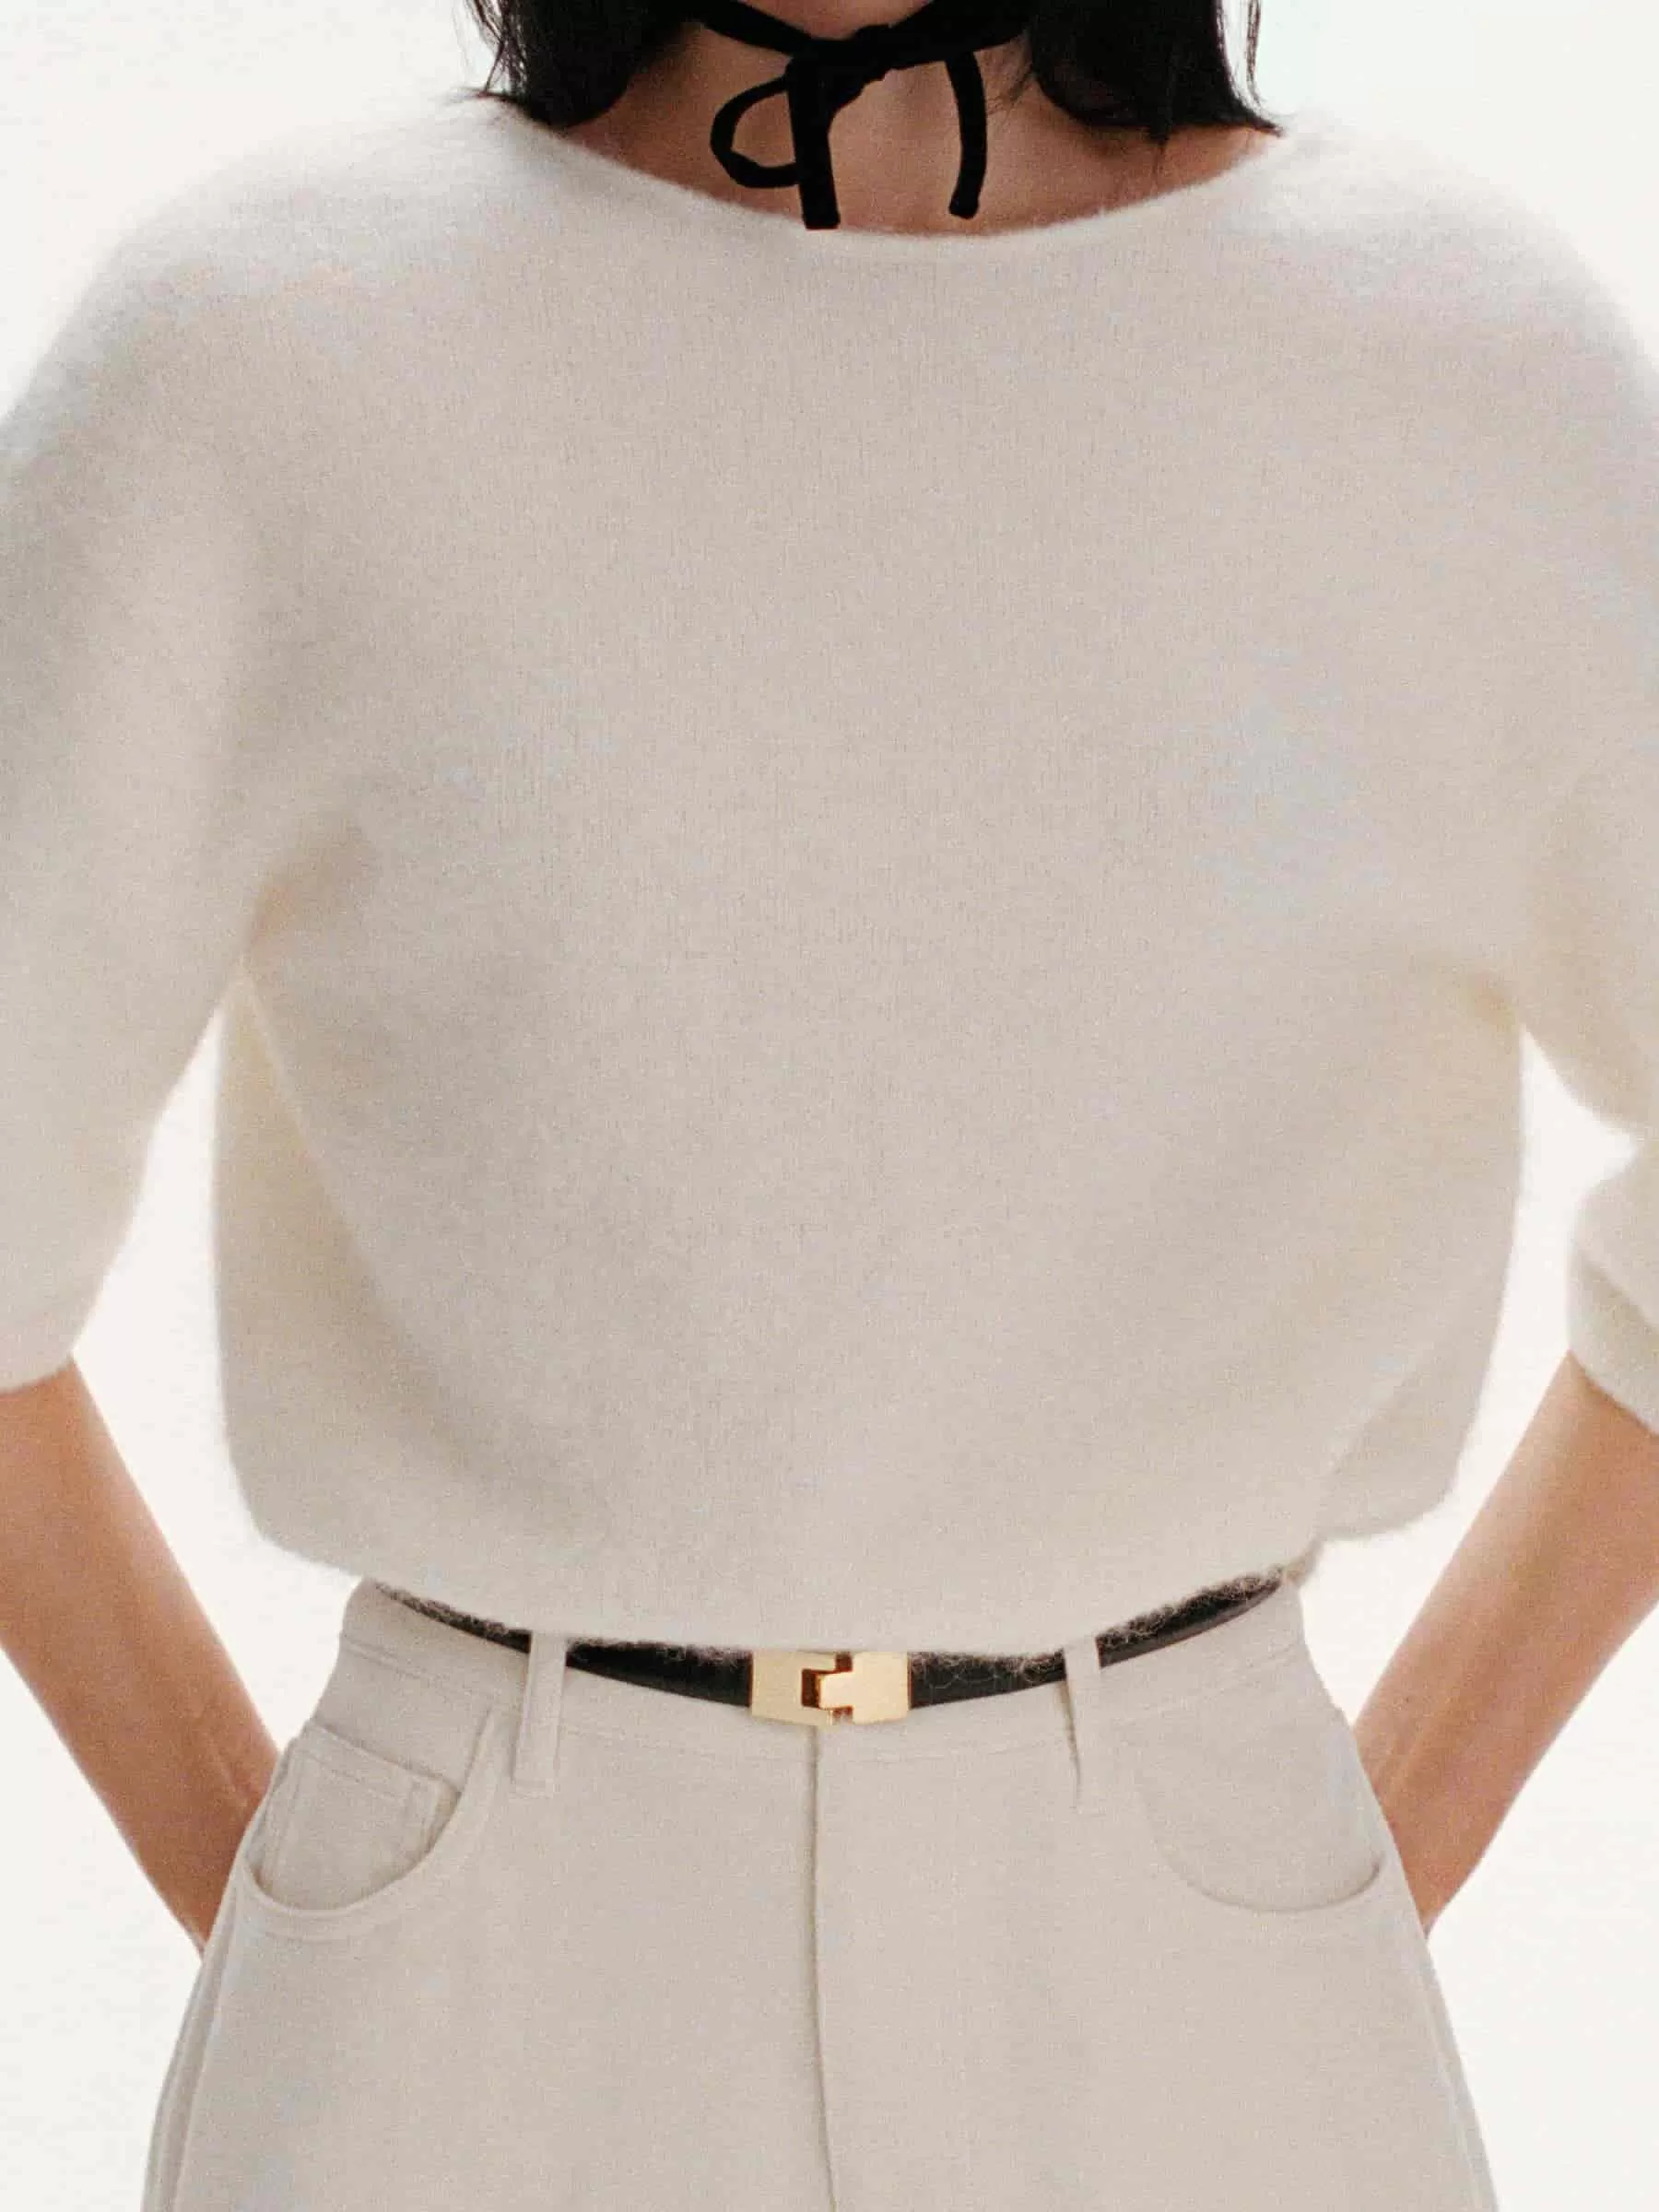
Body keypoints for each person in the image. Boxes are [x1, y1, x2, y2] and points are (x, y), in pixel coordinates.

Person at [5, 0, 1659, 2204]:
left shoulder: (1458, 366)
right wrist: (326, 1912)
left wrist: (1346, 1850)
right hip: (471, 1976)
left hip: (1214, 1957)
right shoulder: (261, 347)